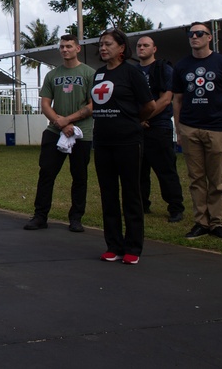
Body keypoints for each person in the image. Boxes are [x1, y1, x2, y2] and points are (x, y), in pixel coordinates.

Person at [91, 28, 155, 265]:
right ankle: (113, 245)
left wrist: (133, 120)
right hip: (103, 142)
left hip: (128, 141)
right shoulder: (98, 75)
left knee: (131, 194)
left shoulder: (132, 73)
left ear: (121, 48)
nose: (103, 48)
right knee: (108, 195)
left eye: (108, 44)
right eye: (101, 44)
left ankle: (133, 247)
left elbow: (149, 105)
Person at [172, 22, 222, 241]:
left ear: (209, 37)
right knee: (196, 179)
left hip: (218, 128)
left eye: (199, 33)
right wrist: (179, 130)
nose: (194, 37)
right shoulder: (182, 66)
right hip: (190, 127)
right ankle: (200, 222)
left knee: (216, 180)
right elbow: (178, 99)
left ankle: (217, 223)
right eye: (191, 34)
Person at [24, 34, 95, 233]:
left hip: (82, 133)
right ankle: (40, 216)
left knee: (79, 177)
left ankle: (76, 218)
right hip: (55, 131)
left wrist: (69, 120)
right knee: (46, 173)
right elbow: (45, 104)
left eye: (69, 46)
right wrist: (61, 124)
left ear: (78, 49)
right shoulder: (52, 75)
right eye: (62, 47)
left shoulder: (89, 74)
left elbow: (92, 105)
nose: (65, 50)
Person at [135, 35, 185, 223]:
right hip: (138, 128)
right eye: (139, 45)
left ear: (154, 49)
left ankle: (175, 207)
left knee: (165, 170)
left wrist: (144, 117)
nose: (142, 48)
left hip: (159, 126)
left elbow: (165, 100)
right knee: (138, 171)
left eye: (146, 45)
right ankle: (141, 205)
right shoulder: (132, 71)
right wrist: (137, 120)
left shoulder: (164, 68)